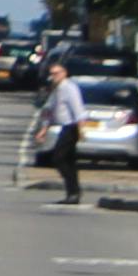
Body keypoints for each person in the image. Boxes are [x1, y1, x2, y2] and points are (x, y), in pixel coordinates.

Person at [37, 60, 89, 206]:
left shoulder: (69, 88)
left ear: (64, 73)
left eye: (57, 73)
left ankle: (74, 191)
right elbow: (49, 110)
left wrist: (81, 129)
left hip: (71, 127)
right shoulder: (56, 89)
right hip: (64, 127)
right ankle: (73, 193)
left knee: (59, 158)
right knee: (69, 161)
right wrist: (43, 129)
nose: (54, 76)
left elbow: (78, 109)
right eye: (52, 74)